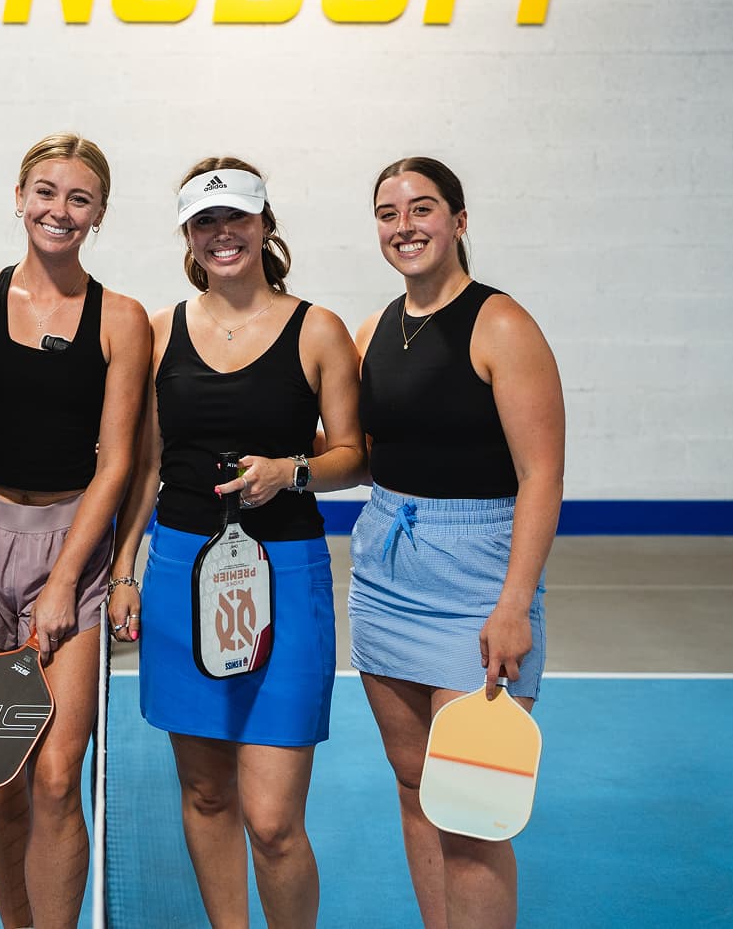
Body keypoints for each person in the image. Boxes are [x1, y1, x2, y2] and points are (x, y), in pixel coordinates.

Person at [108, 157, 364, 929]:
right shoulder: (158, 333)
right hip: (182, 571)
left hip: (285, 574)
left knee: (274, 820)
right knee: (206, 794)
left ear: (264, 224)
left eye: (237, 218)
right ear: (189, 236)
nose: (223, 235)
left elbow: (353, 454)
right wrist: (124, 571)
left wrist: (290, 471)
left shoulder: (317, 329)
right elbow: (143, 463)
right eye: (205, 222)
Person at [349, 156, 565, 929]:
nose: (404, 227)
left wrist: (514, 606)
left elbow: (541, 475)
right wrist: (285, 465)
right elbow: (375, 453)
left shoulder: (501, 323)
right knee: (415, 787)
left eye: (422, 209)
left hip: (477, 574)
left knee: (474, 808)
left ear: (460, 220)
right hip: (385, 564)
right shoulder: (375, 328)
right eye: (387, 213)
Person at [0, 133, 150, 929]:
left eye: (78, 198)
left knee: (60, 773)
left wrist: (66, 578)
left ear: (98, 214)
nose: (57, 210)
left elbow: (119, 461)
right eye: (44, 191)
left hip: (73, 548)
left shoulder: (122, 319)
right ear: (19, 197)